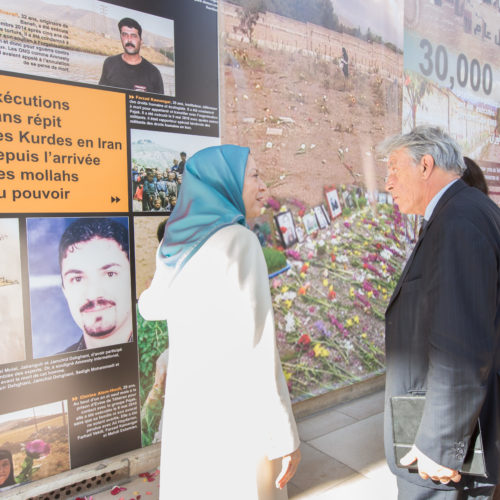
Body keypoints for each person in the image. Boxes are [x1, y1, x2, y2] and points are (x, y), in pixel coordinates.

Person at [139, 145, 300, 499]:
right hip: (233, 414)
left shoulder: (174, 244)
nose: (264, 188)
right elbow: (259, 345)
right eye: (254, 175)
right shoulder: (239, 242)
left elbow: (151, 306)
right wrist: (284, 434)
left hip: (189, 412)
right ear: (223, 182)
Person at [380, 126, 500, 499]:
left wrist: (440, 442)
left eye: (394, 169)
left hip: (441, 452)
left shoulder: (459, 221)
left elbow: (460, 342)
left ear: (426, 165)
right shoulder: (464, 211)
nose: (388, 183)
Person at [59, 218, 133, 352]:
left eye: (110, 274)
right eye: (77, 279)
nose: (93, 294)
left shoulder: (166, 353)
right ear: (64, 290)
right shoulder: (57, 368)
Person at [98, 17, 164, 94]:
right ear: (121, 38)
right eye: (125, 35)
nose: (129, 40)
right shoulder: (109, 63)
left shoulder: (153, 73)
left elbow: (160, 104)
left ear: (141, 41)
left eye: (133, 36)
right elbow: (100, 96)